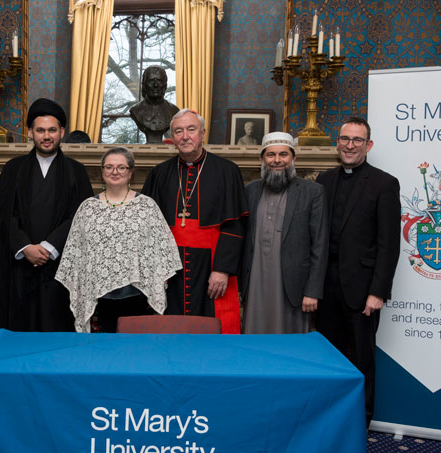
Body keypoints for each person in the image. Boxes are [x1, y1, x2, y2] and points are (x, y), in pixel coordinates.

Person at [315, 116, 401, 426]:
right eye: (345, 139)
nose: (350, 145)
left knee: (363, 358)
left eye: (357, 140)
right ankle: (329, 417)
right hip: (326, 284)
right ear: (337, 142)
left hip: (363, 288)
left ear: (368, 145)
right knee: (328, 356)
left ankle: (361, 420)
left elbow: (388, 245)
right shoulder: (324, 180)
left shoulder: (384, 184)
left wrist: (378, 292)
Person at [0, 98, 93, 335]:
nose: (47, 136)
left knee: (56, 333)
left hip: (61, 268)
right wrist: (25, 247)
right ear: (31, 133)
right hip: (19, 268)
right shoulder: (13, 168)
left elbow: (81, 217)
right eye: (41, 130)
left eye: (52, 130)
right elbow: (3, 217)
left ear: (62, 132)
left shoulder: (77, 172)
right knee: (20, 334)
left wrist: (48, 246)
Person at [142, 109, 248, 334]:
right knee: (169, 326)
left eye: (191, 130)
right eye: (178, 131)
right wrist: (156, 269)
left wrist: (222, 269)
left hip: (211, 263)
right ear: (172, 137)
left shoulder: (227, 171)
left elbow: (235, 225)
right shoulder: (159, 173)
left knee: (210, 327)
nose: (185, 136)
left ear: (202, 134)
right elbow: (148, 227)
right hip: (171, 265)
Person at [56, 147, 182, 332]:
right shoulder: (87, 208)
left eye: (121, 167)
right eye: (109, 167)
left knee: (134, 349)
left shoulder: (146, 206)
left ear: (131, 172)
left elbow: (161, 248)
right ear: (102, 171)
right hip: (98, 295)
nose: (115, 171)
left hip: (137, 293)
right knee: (103, 351)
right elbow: (76, 252)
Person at [241, 132, 328, 334]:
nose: (277, 160)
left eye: (283, 154)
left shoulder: (313, 192)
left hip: (294, 288)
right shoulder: (250, 190)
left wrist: (312, 291)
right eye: (270, 155)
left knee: (292, 343)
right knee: (255, 338)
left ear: (293, 158)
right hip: (255, 283)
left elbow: (320, 245)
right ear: (261, 159)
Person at [129, 66, 180, 143]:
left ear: (165, 85)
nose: (156, 85)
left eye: (159, 81)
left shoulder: (174, 111)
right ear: (144, 85)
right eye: (151, 81)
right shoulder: (135, 111)